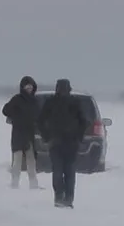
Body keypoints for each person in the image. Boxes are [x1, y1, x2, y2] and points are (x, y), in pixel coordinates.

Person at [37, 78, 87, 208]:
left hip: (69, 143)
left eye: (64, 88)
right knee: (61, 172)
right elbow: (41, 121)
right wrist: (47, 136)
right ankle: (61, 198)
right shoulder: (51, 102)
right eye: (61, 88)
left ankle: (67, 198)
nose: (63, 90)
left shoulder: (75, 102)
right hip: (57, 142)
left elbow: (83, 122)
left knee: (66, 171)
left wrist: (78, 137)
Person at [2, 76, 40, 189]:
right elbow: (5, 110)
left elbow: (38, 115)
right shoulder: (17, 99)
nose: (29, 89)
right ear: (22, 88)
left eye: (31, 87)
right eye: (27, 87)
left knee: (31, 161)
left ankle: (33, 184)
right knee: (17, 161)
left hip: (30, 134)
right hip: (18, 133)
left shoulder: (34, 101)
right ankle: (14, 183)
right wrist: (15, 114)